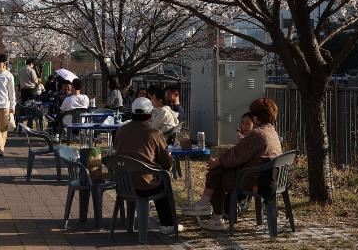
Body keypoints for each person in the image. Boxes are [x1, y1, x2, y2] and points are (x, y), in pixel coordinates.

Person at [182, 97, 282, 231]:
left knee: (217, 175)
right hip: (264, 177)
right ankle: (210, 210)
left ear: (256, 117)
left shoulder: (258, 134)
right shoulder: (272, 132)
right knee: (218, 170)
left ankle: (211, 212)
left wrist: (218, 162)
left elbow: (236, 155)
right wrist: (220, 162)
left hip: (250, 179)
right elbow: (241, 155)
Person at [112, 98, 181, 235]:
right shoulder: (154, 133)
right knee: (163, 181)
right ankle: (167, 223)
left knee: (157, 178)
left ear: (131, 113)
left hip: (123, 184)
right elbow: (166, 164)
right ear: (150, 115)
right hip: (145, 185)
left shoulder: (120, 131)